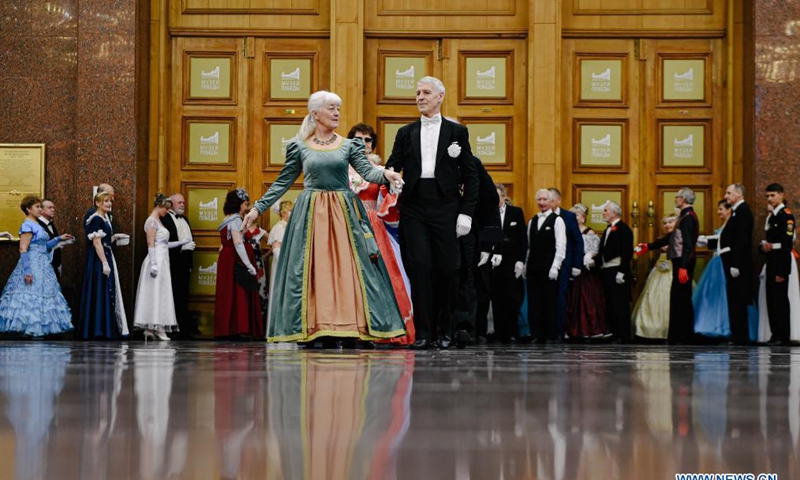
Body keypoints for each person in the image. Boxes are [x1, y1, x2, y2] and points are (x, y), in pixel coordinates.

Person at [243, 90, 406, 345]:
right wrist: (257, 209)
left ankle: (351, 327)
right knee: (312, 270)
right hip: (311, 213)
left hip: (343, 211)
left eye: (338, 108)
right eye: (331, 108)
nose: (337, 113)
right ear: (315, 113)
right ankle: (313, 328)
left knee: (350, 269)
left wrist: (388, 174)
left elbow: (366, 172)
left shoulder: (349, 145)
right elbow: (282, 182)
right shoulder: (299, 147)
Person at [384, 76, 480, 349]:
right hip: (414, 207)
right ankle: (424, 333)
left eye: (426, 92)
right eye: (417, 93)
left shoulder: (457, 132)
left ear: (440, 97)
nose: (420, 97)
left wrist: (466, 214)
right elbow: (393, 164)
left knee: (448, 270)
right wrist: (390, 174)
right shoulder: (405, 132)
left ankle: (447, 331)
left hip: (447, 207)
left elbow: (471, 176)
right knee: (420, 269)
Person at [347, 123, 415, 346]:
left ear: (372, 144)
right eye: (358, 140)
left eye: (367, 140)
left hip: (373, 226)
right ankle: (349, 329)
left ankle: (380, 328)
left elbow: (387, 201)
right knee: (350, 278)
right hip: (347, 224)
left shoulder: (380, 169)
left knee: (378, 278)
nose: (363, 144)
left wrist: (393, 191)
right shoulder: (341, 167)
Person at [0, 195, 74, 337]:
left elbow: (44, 246)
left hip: (43, 263)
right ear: (28, 209)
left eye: (41, 206)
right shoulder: (27, 224)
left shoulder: (36, 224)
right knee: (31, 295)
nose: (40, 209)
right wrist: (27, 270)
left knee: (43, 294)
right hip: (32, 263)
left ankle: (39, 329)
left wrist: (59, 238)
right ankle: (29, 329)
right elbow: (23, 248)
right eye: (37, 207)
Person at [636, 187, 699, 344]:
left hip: (682, 262)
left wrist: (684, 266)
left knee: (682, 300)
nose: (675, 199)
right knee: (678, 299)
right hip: (680, 262)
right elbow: (670, 238)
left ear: (683, 199)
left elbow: (688, 245)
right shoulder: (684, 217)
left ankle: (684, 336)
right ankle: (678, 335)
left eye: (677, 196)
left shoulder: (689, 217)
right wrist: (649, 246)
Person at [456, 153, 501, 345]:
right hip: (440, 231)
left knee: (472, 282)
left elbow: (491, 204)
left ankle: (469, 329)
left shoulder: (472, 162)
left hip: (471, 235)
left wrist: (490, 246)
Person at [132, 194, 190, 340]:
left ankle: (154, 328)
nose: (166, 211)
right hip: (156, 260)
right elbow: (151, 243)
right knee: (154, 293)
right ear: (159, 206)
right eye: (165, 208)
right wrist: (153, 264)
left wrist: (181, 242)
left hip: (163, 259)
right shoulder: (151, 221)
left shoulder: (159, 220)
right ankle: (155, 327)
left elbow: (163, 243)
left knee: (161, 293)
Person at [77, 191, 129, 339]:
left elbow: (104, 240)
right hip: (99, 258)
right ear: (97, 203)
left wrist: (114, 238)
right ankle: (99, 329)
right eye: (105, 201)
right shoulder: (96, 219)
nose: (109, 204)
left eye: (110, 201)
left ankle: (103, 327)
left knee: (106, 289)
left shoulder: (104, 218)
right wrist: (104, 263)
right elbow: (96, 243)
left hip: (106, 254)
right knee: (101, 288)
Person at [215, 189, 264, 339]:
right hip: (236, 260)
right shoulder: (235, 220)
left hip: (228, 260)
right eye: (245, 204)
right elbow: (238, 243)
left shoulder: (228, 218)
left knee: (229, 293)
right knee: (238, 293)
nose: (246, 207)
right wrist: (249, 265)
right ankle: (238, 328)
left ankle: (228, 328)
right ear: (238, 204)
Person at [484, 184, 526, 344]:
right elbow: (489, 238)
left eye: (498, 196)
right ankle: (500, 333)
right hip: (494, 264)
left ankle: (512, 332)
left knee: (512, 299)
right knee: (496, 299)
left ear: (504, 196)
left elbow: (522, 239)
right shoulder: (489, 213)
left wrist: (520, 261)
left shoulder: (516, 212)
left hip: (512, 263)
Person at [526, 189, 567, 343]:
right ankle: (537, 334)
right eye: (539, 200)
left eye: (545, 199)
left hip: (550, 269)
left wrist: (555, 266)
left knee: (550, 302)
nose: (542, 203)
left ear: (551, 202)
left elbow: (561, 245)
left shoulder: (557, 220)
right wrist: (525, 266)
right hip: (533, 268)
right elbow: (529, 246)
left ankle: (551, 334)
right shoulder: (532, 221)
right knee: (534, 302)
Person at [758, 183, 795, 345]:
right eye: (767, 196)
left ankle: (783, 335)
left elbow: (786, 245)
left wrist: (782, 271)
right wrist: (764, 248)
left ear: (781, 195)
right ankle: (775, 334)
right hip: (771, 260)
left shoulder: (786, 216)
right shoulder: (771, 216)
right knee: (771, 300)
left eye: (773, 195)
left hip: (780, 261)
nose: (770, 199)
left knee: (780, 300)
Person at [566, 203, 607, 340]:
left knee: (586, 299)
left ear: (583, 218)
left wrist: (588, 256)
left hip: (585, 271)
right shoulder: (567, 230)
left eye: (576, 215)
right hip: (569, 268)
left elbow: (594, 251)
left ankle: (589, 329)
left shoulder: (588, 232)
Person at [632, 216, 677, 341]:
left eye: (670, 222)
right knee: (653, 296)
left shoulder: (680, 237)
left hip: (674, 269)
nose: (667, 225)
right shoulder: (661, 240)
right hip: (660, 269)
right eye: (665, 223)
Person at [549, 188, 585, 340]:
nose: (546, 203)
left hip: (564, 264)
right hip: (546, 264)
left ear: (558, 200)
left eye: (550, 200)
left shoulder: (569, 217)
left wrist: (577, 265)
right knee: (547, 297)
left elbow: (578, 241)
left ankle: (559, 331)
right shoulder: (541, 217)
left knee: (560, 297)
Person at [720, 183, 755, 345]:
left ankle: (740, 336)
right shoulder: (736, 212)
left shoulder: (743, 212)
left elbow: (741, 241)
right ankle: (737, 334)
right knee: (734, 299)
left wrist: (736, 264)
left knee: (738, 300)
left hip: (738, 265)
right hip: (731, 262)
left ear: (739, 194)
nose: (726, 196)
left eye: (729, 193)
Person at [693, 201, 733, 339]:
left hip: (723, 262)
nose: (718, 212)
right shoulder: (725, 225)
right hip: (717, 260)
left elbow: (723, 240)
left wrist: (703, 239)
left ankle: (722, 325)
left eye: (721, 209)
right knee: (712, 294)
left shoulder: (732, 225)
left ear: (729, 210)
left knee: (721, 294)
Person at [161, 193, 197, 338]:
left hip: (185, 263)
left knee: (183, 296)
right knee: (173, 295)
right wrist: (181, 248)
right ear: (171, 204)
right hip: (172, 262)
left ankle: (183, 328)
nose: (183, 205)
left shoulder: (185, 219)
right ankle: (171, 329)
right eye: (179, 202)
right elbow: (163, 242)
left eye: (183, 202)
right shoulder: (165, 219)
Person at [598, 201, 634, 343]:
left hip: (617, 270)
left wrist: (622, 272)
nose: (603, 213)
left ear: (614, 213)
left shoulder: (624, 229)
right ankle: (615, 332)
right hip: (607, 271)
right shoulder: (608, 229)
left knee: (620, 304)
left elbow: (627, 252)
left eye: (606, 210)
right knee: (611, 303)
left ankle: (623, 335)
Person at [266, 200, 293, 333]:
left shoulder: (288, 226)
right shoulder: (279, 228)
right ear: (283, 213)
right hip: (282, 265)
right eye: (290, 211)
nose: (292, 213)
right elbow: (276, 249)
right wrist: (285, 263)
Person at [38, 199, 71, 280]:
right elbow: (41, 246)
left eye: (53, 207)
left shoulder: (51, 224)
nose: (53, 210)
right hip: (43, 266)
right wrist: (59, 239)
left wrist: (58, 263)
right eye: (49, 207)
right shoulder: (37, 225)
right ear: (41, 210)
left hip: (54, 265)